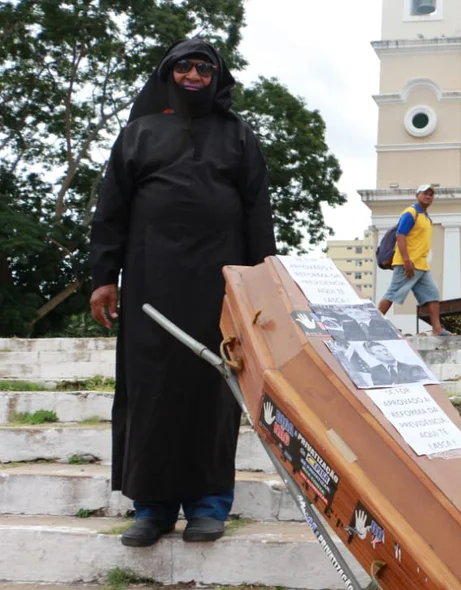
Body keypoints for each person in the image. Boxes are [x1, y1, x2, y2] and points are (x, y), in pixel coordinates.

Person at [88, 38, 277, 547]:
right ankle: (150, 508)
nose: (194, 74)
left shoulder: (239, 136)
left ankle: (208, 505)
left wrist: (262, 281)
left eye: (204, 67)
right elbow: (111, 209)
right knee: (149, 391)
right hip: (151, 283)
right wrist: (104, 276)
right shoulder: (138, 135)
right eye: (184, 66)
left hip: (220, 286)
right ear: (167, 73)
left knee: (213, 390)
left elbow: (257, 211)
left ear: (218, 77)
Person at [377, 185, 452, 336]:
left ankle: (437, 329)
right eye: (425, 193)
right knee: (392, 293)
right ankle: (373, 323)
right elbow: (400, 235)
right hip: (407, 264)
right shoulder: (411, 213)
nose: (428, 196)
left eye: (431, 194)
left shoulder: (426, 217)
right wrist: (406, 260)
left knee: (432, 294)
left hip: (421, 265)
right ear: (417, 195)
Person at [362, 341, 431, 386]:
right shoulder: (374, 371)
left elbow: (425, 383)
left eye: (385, 350)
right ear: (373, 355)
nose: (385, 353)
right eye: (379, 351)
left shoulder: (414, 368)